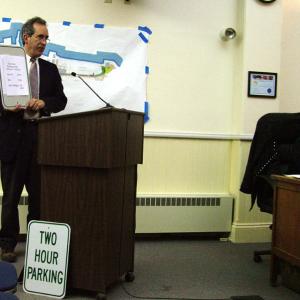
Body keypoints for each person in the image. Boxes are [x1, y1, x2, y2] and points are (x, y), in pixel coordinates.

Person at [0, 16, 67, 262]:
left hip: (40, 139)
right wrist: (6, 107)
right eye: (40, 37)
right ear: (26, 37)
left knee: (39, 197)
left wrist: (45, 103)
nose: (44, 42)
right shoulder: (6, 65)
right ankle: (7, 245)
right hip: (12, 139)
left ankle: (37, 244)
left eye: (47, 38)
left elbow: (61, 100)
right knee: (10, 198)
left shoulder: (49, 70)